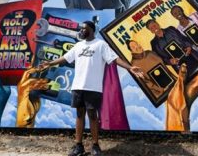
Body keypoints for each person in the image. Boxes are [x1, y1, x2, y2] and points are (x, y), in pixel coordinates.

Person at [38, 21, 143, 156]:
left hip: (93, 87)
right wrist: (50, 63)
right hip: (78, 86)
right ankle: (78, 145)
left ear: (92, 30)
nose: (81, 31)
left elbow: (115, 59)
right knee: (80, 114)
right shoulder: (78, 45)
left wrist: (130, 67)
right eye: (81, 29)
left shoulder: (100, 45)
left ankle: (95, 145)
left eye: (84, 29)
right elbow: (65, 58)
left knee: (93, 115)